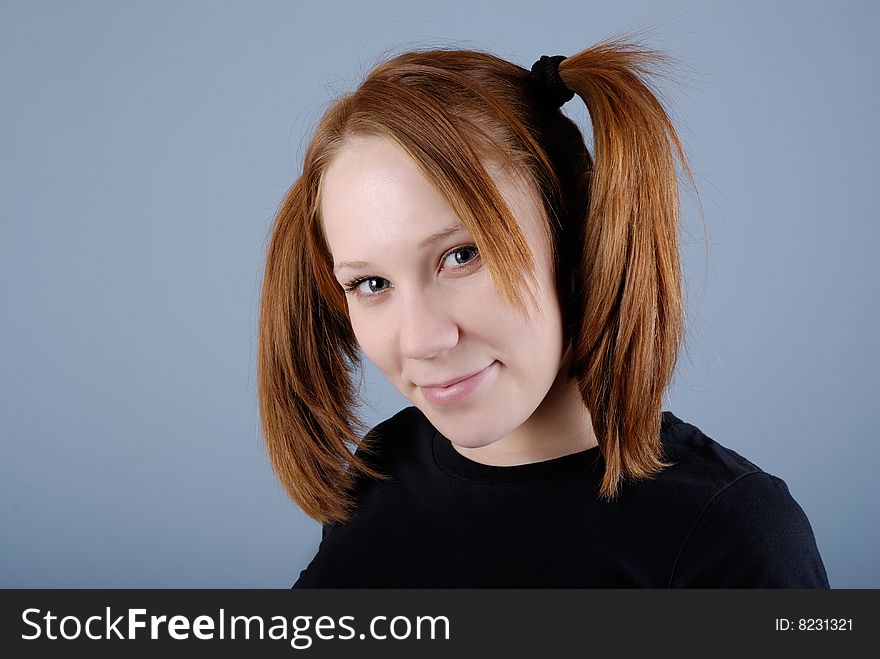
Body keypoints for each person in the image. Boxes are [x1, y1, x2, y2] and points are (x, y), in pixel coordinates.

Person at [257, 36, 829, 588]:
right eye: (371, 282)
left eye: (463, 255)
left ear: (580, 232)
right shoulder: (384, 464)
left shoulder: (734, 538)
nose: (422, 340)